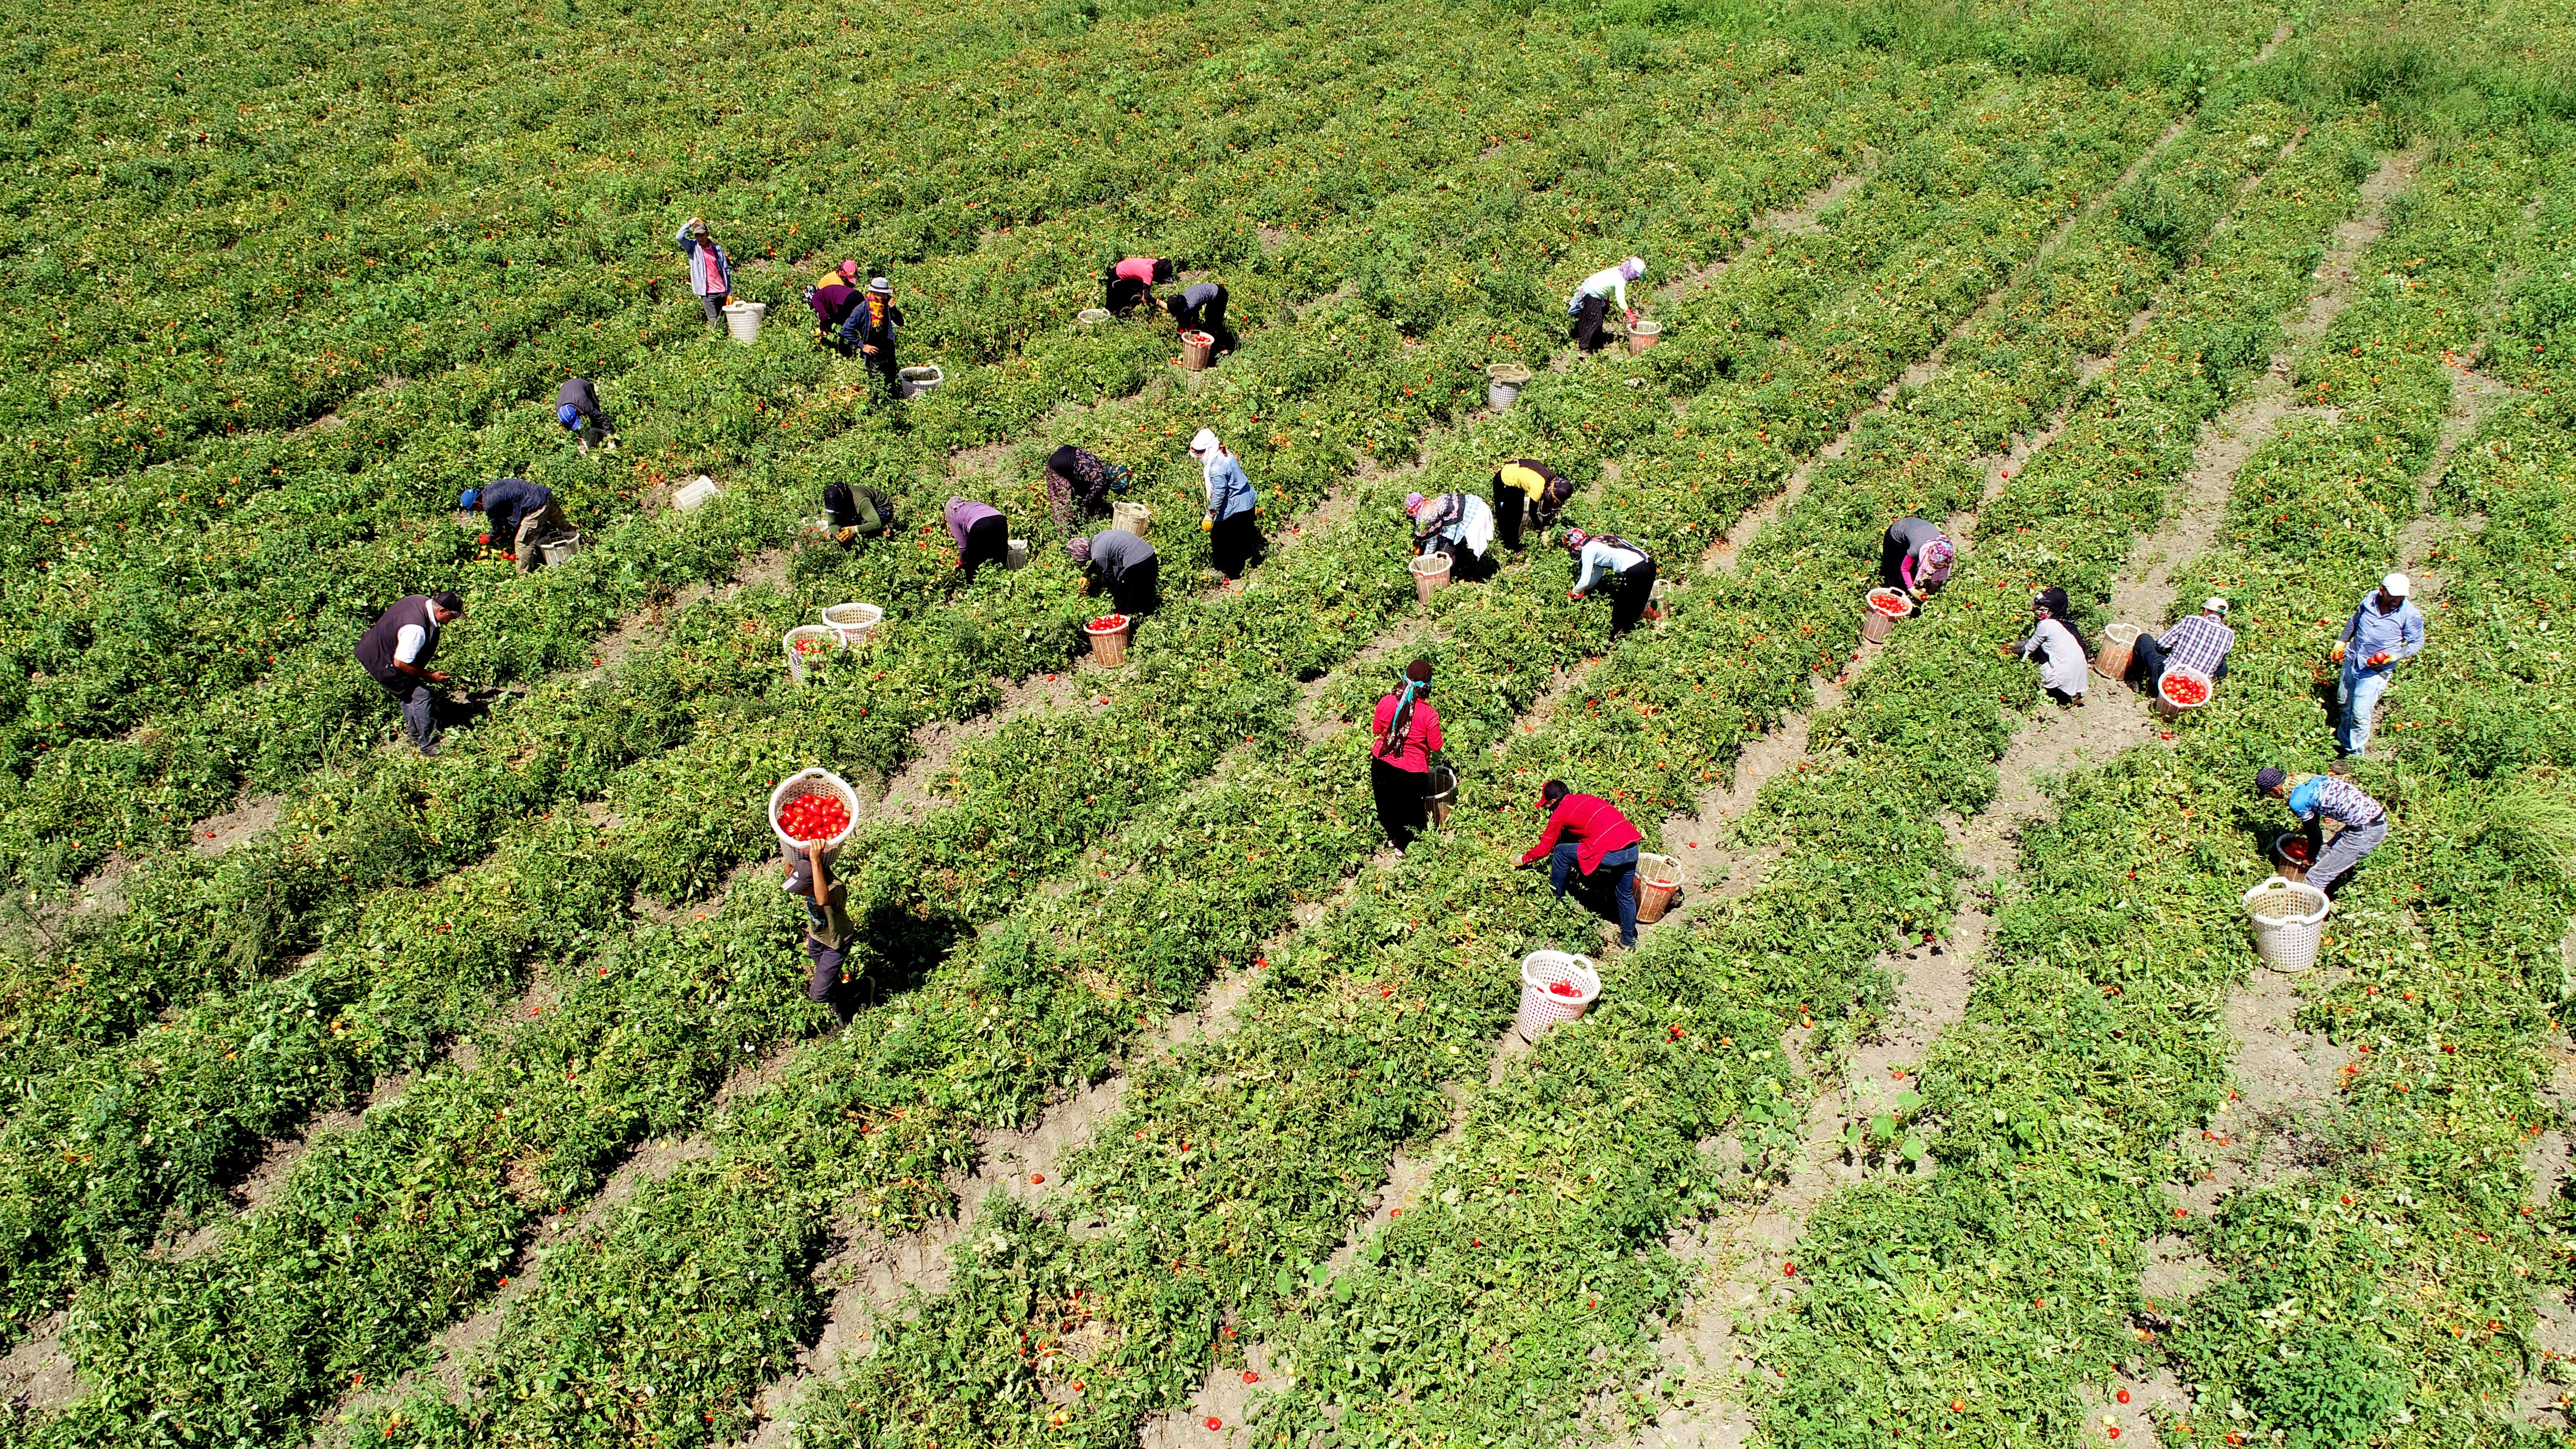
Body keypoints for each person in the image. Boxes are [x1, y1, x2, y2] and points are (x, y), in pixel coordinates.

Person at [1516, 779, 1644, 949]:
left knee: (1561, 852)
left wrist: (1523, 859)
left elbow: (1544, 849)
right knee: (1625, 894)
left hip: (1613, 853)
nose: (1548, 810)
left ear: (1553, 801)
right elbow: (1586, 826)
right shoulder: (1585, 799)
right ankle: (1628, 941)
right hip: (1632, 847)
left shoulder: (1560, 812)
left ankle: (1555, 899)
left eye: (1547, 806)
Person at [354, 591, 463, 755]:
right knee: (420, 695)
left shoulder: (420, 601)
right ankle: (427, 745)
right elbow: (401, 662)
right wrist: (430, 676)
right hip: (383, 661)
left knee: (409, 692)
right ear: (442, 611)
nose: (453, 620)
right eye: (452, 616)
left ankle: (414, 734)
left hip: (377, 648)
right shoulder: (416, 628)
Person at [2332, 572, 2426, 758]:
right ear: (2382, 591)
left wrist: (2394, 657)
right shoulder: (2370, 600)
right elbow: (2355, 621)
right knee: (2344, 703)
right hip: (2354, 659)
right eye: (2393, 596)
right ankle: (2343, 743)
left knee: (2360, 713)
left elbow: (2417, 643)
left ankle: (2355, 755)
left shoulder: (2410, 615)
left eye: (2401, 597)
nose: (2396, 601)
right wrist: (2342, 641)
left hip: (2376, 669)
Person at [2256, 766, 2388, 894]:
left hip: (2366, 832)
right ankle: (2323, 889)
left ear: (2275, 790)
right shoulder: (2304, 779)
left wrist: (2310, 856)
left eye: (2269, 794)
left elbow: (2316, 836)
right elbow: (2315, 807)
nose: (2272, 797)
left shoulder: (2296, 801)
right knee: (2322, 854)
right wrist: (2309, 829)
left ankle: (2308, 913)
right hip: (2370, 818)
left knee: (2316, 877)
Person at [1370, 659, 1443, 851]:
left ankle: (1393, 837)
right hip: (1411, 772)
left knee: (1387, 806)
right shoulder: (1429, 715)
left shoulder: (1386, 702)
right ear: (1427, 686)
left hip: (1381, 763)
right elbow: (1436, 746)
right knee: (1411, 813)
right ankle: (1403, 847)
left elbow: (1378, 730)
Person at [782, 838, 855, 1007]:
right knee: (829, 982)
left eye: (802, 890)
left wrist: (815, 860)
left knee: (819, 994)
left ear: (813, 885)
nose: (799, 894)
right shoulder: (809, 878)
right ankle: (844, 1012)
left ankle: (862, 988)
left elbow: (822, 899)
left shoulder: (835, 889)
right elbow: (789, 868)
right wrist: (790, 843)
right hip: (817, 938)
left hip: (836, 944)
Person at [1191, 428, 1261, 580]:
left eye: (1201, 452)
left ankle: (1229, 573)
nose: (1199, 456)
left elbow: (1219, 495)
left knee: (1221, 541)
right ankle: (1247, 559)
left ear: (1208, 449)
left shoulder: (1216, 468)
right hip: (1247, 502)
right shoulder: (1226, 453)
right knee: (1242, 536)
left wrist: (1210, 515)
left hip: (1235, 509)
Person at [2126, 597, 2235, 694]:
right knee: (2223, 668)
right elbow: (2218, 664)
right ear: (2223, 618)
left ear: (2206, 611)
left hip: (2167, 678)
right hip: (2195, 688)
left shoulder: (2191, 620)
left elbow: (2161, 645)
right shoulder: (2230, 635)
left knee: (2144, 639)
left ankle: (2136, 681)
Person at [463, 478, 568, 576]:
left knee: (522, 543)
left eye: (476, 510)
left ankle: (523, 576)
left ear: (477, 504)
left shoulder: (489, 505)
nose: (479, 511)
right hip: (544, 495)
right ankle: (577, 541)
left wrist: (489, 538)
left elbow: (497, 528)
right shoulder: (489, 490)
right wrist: (507, 531)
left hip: (536, 508)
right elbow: (509, 513)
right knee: (561, 523)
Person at [1564, 527, 1657, 635]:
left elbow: (1584, 580)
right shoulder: (1598, 541)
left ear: (1575, 545)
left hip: (1636, 570)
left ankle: (1615, 638)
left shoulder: (1588, 550)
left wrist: (1572, 594)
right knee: (1637, 604)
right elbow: (1598, 574)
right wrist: (1586, 590)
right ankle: (1630, 634)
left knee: (1621, 608)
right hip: (1650, 564)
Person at [2013, 586, 2090, 706]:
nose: (2038, 611)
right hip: (2079, 675)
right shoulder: (2066, 622)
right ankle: (2074, 695)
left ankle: (2050, 688)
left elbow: (2030, 648)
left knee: (2038, 650)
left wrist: (2015, 656)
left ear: (2051, 609)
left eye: (2041, 609)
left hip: (2061, 676)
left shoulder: (2046, 625)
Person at [1406, 491, 1497, 580]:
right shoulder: (1431, 504)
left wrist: (1425, 562)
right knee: (1452, 544)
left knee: (1447, 552)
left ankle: (1450, 576)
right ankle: (1463, 566)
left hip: (1475, 515)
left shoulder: (1428, 516)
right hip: (1477, 504)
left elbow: (1432, 543)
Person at [1069, 529, 1159, 617]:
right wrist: (1086, 575)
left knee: (1122, 604)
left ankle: (1128, 628)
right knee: (1144, 596)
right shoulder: (1098, 539)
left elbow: (1110, 577)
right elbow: (1098, 560)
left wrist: (1100, 581)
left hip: (1137, 566)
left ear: (1084, 555)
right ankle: (1147, 614)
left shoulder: (1098, 555)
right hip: (1151, 556)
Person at [1043, 445, 1130, 534]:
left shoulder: (1103, 467)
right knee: (1063, 504)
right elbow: (1087, 501)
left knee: (1079, 493)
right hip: (1056, 468)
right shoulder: (1099, 479)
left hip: (1064, 454)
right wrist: (1087, 518)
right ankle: (1064, 535)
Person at [1567, 257, 1644, 354]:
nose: (1635, 279)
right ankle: (1584, 349)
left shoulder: (1617, 270)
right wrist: (1631, 316)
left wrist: (1607, 302)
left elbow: (1606, 285)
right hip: (1591, 293)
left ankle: (1596, 345)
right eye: (1636, 277)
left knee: (1592, 318)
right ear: (1632, 273)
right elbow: (1621, 302)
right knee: (1594, 321)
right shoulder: (1620, 281)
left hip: (1592, 289)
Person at [1493, 459, 1568, 550]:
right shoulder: (1539, 488)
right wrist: (1542, 533)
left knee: (1518, 512)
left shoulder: (1552, 480)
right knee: (1508, 516)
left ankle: (1514, 543)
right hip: (1504, 480)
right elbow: (1532, 514)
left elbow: (1547, 506)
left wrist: (1546, 523)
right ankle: (1509, 546)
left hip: (1517, 477)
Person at [676, 218, 733, 332]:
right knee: (713, 320)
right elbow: (679, 237)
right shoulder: (693, 248)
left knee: (725, 320)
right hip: (707, 293)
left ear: (707, 234)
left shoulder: (717, 249)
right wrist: (690, 223)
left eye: (702, 235)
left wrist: (729, 292)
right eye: (697, 236)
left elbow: (726, 270)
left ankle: (726, 342)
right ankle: (712, 342)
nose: (700, 238)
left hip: (722, 290)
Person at [1878, 517, 1955, 601]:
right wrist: (1912, 589)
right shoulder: (1916, 549)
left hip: (1916, 531)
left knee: (1912, 570)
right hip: (1895, 536)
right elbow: (1904, 569)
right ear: (1928, 555)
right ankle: (1893, 597)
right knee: (1895, 572)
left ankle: (1906, 591)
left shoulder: (1946, 552)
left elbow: (1941, 569)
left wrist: (1935, 584)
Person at [855, 277, 903, 401]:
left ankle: (893, 410)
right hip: (874, 355)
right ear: (874, 293)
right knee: (876, 389)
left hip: (888, 352)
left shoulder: (887, 306)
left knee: (891, 385)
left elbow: (900, 322)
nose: (885, 296)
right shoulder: (863, 309)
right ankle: (874, 413)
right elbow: (846, 330)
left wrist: (894, 309)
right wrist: (862, 346)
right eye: (883, 294)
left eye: (887, 294)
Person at [944, 496, 1008, 579]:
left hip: (979, 525)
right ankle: (1001, 583)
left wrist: (962, 561)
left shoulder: (954, 517)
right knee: (999, 555)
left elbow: (963, 545)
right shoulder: (976, 504)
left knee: (972, 565)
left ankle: (972, 588)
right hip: (1001, 520)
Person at [1165, 281, 1234, 352]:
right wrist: (1181, 326)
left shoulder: (1192, 304)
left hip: (1220, 296)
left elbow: (1196, 317)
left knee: (1215, 321)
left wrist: (1191, 327)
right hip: (1213, 294)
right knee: (1208, 315)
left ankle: (1223, 346)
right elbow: (1184, 314)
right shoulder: (1183, 298)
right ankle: (1214, 340)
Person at [824, 482, 896, 546]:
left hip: (883, 508)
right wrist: (838, 534)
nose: (836, 513)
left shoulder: (861, 501)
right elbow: (832, 524)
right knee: (843, 530)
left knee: (864, 527)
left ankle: (882, 531)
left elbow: (876, 523)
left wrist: (854, 530)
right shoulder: (833, 505)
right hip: (859, 510)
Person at [807, 275, 863, 356]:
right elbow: (834, 315)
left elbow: (824, 317)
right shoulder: (824, 292)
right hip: (857, 295)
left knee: (847, 327)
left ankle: (852, 350)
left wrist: (821, 329)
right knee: (863, 322)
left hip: (846, 302)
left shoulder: (816, 298)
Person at [555, 377, 614, 453]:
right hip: (568, 391)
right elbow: (570, 430)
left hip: (582, 385)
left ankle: (600, 432)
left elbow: (603, 419)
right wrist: (580, 443)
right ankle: (596, 439)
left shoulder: (583, 403)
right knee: (576, 432)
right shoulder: (561, 414)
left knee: (595, 415)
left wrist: (610, 437)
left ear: (576, 410)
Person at [1104, 256, 1176, 314]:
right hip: (1117, 276)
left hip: (1127, 271)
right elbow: (1147, 297)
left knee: (1138, 293)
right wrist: (1162, 304)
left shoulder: (1155, 263)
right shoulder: (1148, 273)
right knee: (1112, 308)